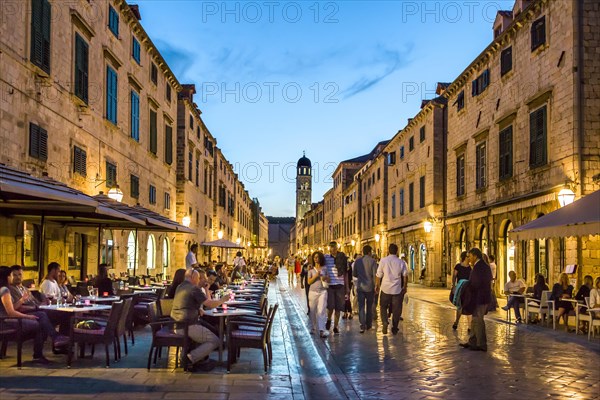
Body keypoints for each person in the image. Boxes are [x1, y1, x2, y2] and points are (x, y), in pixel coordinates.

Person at [1, 266, 68, 364]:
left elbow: (33, 302)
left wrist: (41, 304)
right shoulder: (5, 290)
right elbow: (11, 311)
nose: (15, 277)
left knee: (47, 317)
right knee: (40, 319)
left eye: (19, 274)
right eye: (12, 275)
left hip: (11, 318)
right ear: (7, 277)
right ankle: (53, 340)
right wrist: (28, 315)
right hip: (8, 321)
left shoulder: (15, 289)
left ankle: (55, 341)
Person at [170, 269, 228, 371]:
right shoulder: (194, 289)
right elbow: (210, 304)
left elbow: (186, 303)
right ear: (193, 278)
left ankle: (199, 359)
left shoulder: (180, 286)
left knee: (210, 329)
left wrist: (198, 308)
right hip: (187, 325)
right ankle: (190, 358)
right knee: (215, 340)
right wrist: (223, 300)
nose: (199, 280)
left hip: (176, 323)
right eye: (198, 278)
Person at [459, 248, 492, 352]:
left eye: (470, 256)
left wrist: (467, 286)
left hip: (480, 297)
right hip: (479, 297)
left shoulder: (480, 266)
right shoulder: (481, 266)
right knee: (474, 320)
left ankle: (481, 344)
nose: (469, 259)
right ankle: (472, 341)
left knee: (478, 320)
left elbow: (476, 283)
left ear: (475, 256)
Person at [375, 244, 407, 335]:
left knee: (383, 306)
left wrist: (377, 285)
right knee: (397, 309)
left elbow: (378, 275)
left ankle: (385, 321)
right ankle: (395, 327)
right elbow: (405, 276)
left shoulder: (383, 260)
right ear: (397, 251)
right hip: (397, 289)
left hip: (385, 288)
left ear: (388, 251)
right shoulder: (401, 262)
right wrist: (405, 287)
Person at [324, 241, 348, 335]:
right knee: (330, 307)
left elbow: (345, 273)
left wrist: (347, 288)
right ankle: (329, 319)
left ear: (337, 248)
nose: (333, 249)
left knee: (338, 307)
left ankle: (335, 327)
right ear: (329, 248)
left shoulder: (342, 258)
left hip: (340, 285)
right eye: (331, 247)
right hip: (330, 286)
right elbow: (322, 268)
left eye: (334, 247)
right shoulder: (326, 258)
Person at [353, 245, 377, 333]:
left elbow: (354, 274)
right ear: (369, 252)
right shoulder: (373, 261)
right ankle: (369, 325)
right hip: (370, 287)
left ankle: (362, 325)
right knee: (369, 306)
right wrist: (376, 286)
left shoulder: (357, 261)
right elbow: (375, 275)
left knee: (361, 306)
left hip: (360, 286)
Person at [307, 251, 329, 338]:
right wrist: (316, 275)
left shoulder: (325, 268)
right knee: (312, 311)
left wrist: (325, 277)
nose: (316, 259)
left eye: (317, 257)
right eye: (314, 257)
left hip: (323, 292)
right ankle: (313, 327)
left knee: (321, 310)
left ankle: (322, 330)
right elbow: (309, 282)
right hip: (313, 292)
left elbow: (329, 279)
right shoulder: (311, 269)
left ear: (320, 258)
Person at [452, 251, 472, 330]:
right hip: (460, 288)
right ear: (465, 257)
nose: (469, 258)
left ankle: (469, 326)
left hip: (468, 288)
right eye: (468, 257)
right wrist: (453, 286)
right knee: (460, 306)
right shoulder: (458, 266)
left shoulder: (470, 267)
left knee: (468, 306)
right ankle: (456, 322)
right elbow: (454, 276)